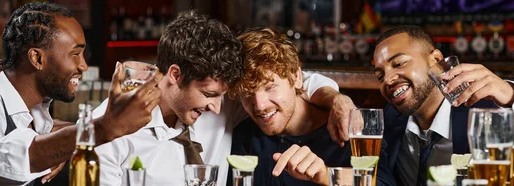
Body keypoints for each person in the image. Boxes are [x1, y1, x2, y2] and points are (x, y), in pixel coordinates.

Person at [91, 11, 355, 186]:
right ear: (175, 75)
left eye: (224, 96)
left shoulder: (230, 101)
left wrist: (336, 98)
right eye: (208, 95)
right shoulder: (112, 124)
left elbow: (289, 80)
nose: (217, 108)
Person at [0, 2, 161, 185]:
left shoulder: (33, 106)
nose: (84, 66)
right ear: (37, 58)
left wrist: (58, 146)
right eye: (75, 54)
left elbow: (39, 133)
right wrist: (102, 129)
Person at [372, 25, 514, 185]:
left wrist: (513, 94)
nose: (388, 80)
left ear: (436, 60)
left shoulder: (486, 110)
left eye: (398, 64)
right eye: (380, 76)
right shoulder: (389, 118)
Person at [228, 28, 352, 186]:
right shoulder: (245, 136)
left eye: (270, 87)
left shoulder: (347, 124)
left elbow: (383, 182)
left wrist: (326, 175)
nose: (260, 106)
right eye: (247, 93)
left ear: (297, 77)